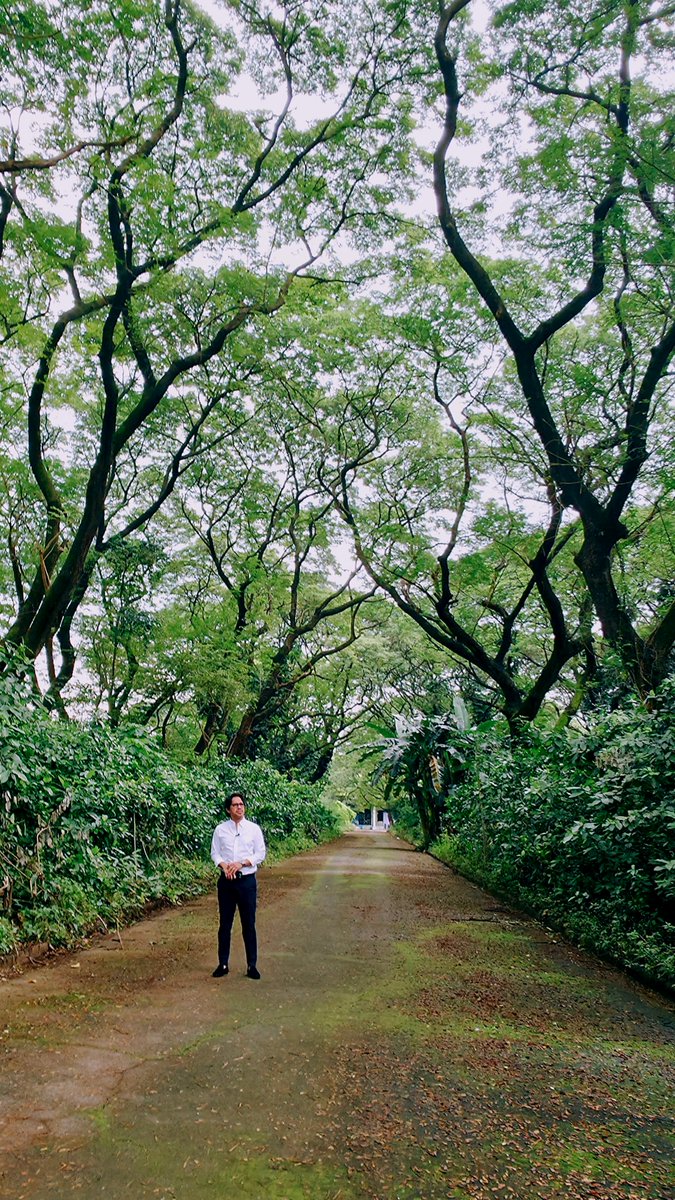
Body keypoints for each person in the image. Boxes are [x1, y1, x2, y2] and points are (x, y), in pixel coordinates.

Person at [210, 791, 266, 979]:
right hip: (226, 882)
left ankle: (252, 965)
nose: (239, 807)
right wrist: (224, 865)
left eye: (241, 804)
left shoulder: (253, 829)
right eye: (235, 805)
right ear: (228, 809)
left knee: (248, 923)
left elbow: (260, 854)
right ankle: (223, 963)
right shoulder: (220, 830)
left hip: (246, 881)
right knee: (225, 924)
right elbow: (215, 853)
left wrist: (242, 863)